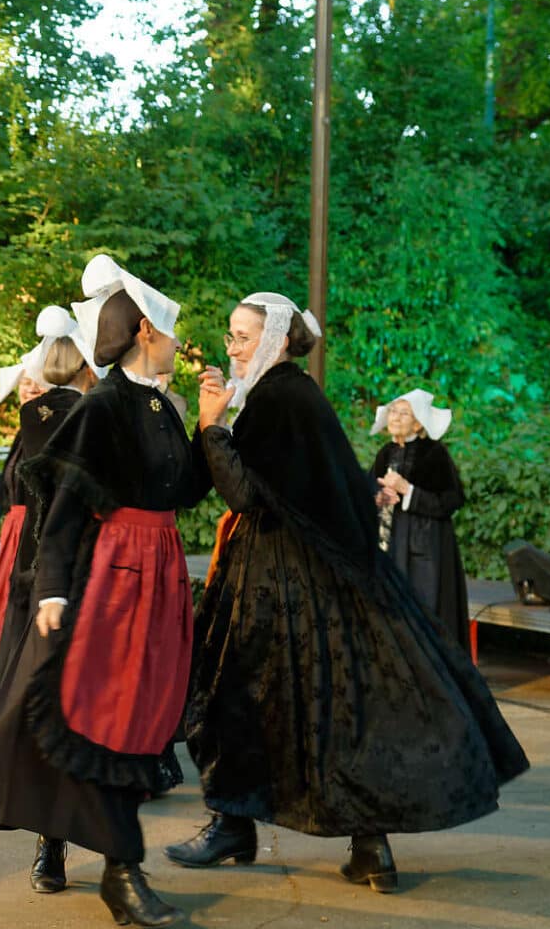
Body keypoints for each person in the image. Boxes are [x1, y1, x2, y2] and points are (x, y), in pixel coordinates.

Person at [167, 294, 529, 893]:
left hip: (282, 579)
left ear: (277, 341)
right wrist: (223, 419)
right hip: (315, 574)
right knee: (332, 705)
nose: (231, 347)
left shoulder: (281, 398)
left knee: (248, 691)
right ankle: (366, 846)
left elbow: (246, 496)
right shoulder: (289, 395)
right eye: (230, 336)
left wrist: (210, 425)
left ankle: (234, 823)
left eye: (242, 336)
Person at [0, 255, 207, 929]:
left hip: (157, 573)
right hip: (115, 576)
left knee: (136, 718)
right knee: (101, 715)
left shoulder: (158, 404)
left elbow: (183, 491)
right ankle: (118, 870)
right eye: (173, 329)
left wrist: (212, 422)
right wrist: (54, 590)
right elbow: (59, 508)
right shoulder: (104, 405)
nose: (181, 340)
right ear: (146, 330)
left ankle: (91, 855)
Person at [0, 306, 100, 735]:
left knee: (16, 621)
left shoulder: (51, 418)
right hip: (21, 529)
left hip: (30, 529)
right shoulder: (34, 423)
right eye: (22, 383)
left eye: (31, 381)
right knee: (8, 621)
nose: (25, 389)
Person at [370, 388, 469, 648]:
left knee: (424, 608)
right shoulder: (385, 453)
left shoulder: (434, 454)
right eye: (393, 411)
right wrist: (378, 498)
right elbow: (370, 491)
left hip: (426, 548)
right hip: (390, 543)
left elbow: (451, 500)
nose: (396, 418)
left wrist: (407, 490)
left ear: (418, 422)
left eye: (404, 413)